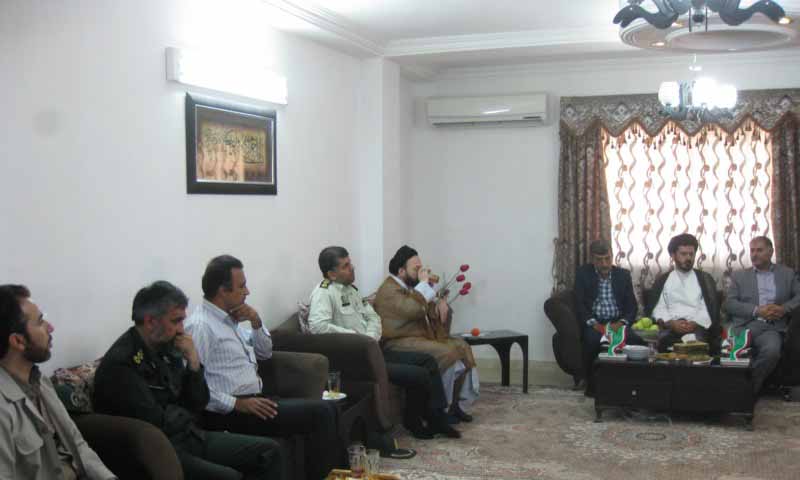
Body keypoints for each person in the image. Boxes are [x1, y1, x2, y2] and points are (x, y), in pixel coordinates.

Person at [93, 281, 281, 480]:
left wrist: (194, 363)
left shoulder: (167, 346)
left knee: (269, 451)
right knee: (229, 477)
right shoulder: (122, 364)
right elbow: (157, 423)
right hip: (159, 453)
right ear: (150, 322)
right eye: (176, 321)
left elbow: (198, 402)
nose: (182, 329)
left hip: (190, 436)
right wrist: (185, 410)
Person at [186, 255, 343, 480]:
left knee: (330, 408)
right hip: (229, 413)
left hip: (256, 402)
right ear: (222, 291)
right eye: (242, 286)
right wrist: (237, 403)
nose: (247, 291)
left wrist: (256, 321)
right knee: (321, 413)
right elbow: (193, 388)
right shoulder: (201, 326)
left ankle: (340, 475)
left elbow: (265, 352)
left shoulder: (231, 320)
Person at [308, 246, 460, 439]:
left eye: (350, 263)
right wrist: (357, 338)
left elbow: (373, 317)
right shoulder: (324, 293)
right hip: (355, 359)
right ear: (332, 274)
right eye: (345, 266)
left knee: (427, 361)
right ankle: (413, 421)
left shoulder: (351, 290)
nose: (352, 267)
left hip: (372, 349)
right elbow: (318, 326)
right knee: (418, 374)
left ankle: (437, 417)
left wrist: (370, 337)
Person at [0, 285, 116, 480]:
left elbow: (77, 444)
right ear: (19, 341)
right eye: (40, 322)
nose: (50, 327)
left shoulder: (40, 381)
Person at [373, 245, 478, 422]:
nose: (421, 273)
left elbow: (425, 308)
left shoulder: (409, 287)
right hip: (397, 342)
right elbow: (413, 310)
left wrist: (440, 302)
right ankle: (440, 410)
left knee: (462, 346)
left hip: (418, 339)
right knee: (447, 353)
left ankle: (457, 405)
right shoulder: (389, 290)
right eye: (416, 269)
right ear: (401, 271)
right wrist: (423, 285)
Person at [725, 236, 800, 394]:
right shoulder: (739, 276)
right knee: (727, 351)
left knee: (772, 351)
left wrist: (783, 309)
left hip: (770, 328)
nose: (754, 254)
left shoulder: (787, 274)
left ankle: (748, 389)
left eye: (759, 250)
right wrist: (757, 310)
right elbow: (729, 304)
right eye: (752, 250)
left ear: (770, 252)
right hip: (745, 326)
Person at [574, 240, 645, 390]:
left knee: (636, 341)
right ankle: (586, 379)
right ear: (592, 259)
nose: (605, 264)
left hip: (617, 322)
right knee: (591, 340)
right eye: (599, 260)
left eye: (607, 258)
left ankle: (635, 381)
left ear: (612, 256)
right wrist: (596, 325)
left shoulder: (623, 275)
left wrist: (620, 323)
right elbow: (579, 304)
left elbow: (631, 306)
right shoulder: (582, 274)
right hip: (595, 322)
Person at [648, 233, 721, 354]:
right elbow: (659, 307)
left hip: (697, 327)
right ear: (673, 255)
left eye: (691, 254)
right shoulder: (663, 280)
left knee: (696, 346)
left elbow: (708, 307)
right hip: (670, 327)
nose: (688, 258)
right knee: (664, 344)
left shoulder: (705, 279)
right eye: (683, 254)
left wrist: (695, 322)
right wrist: (671, 323)